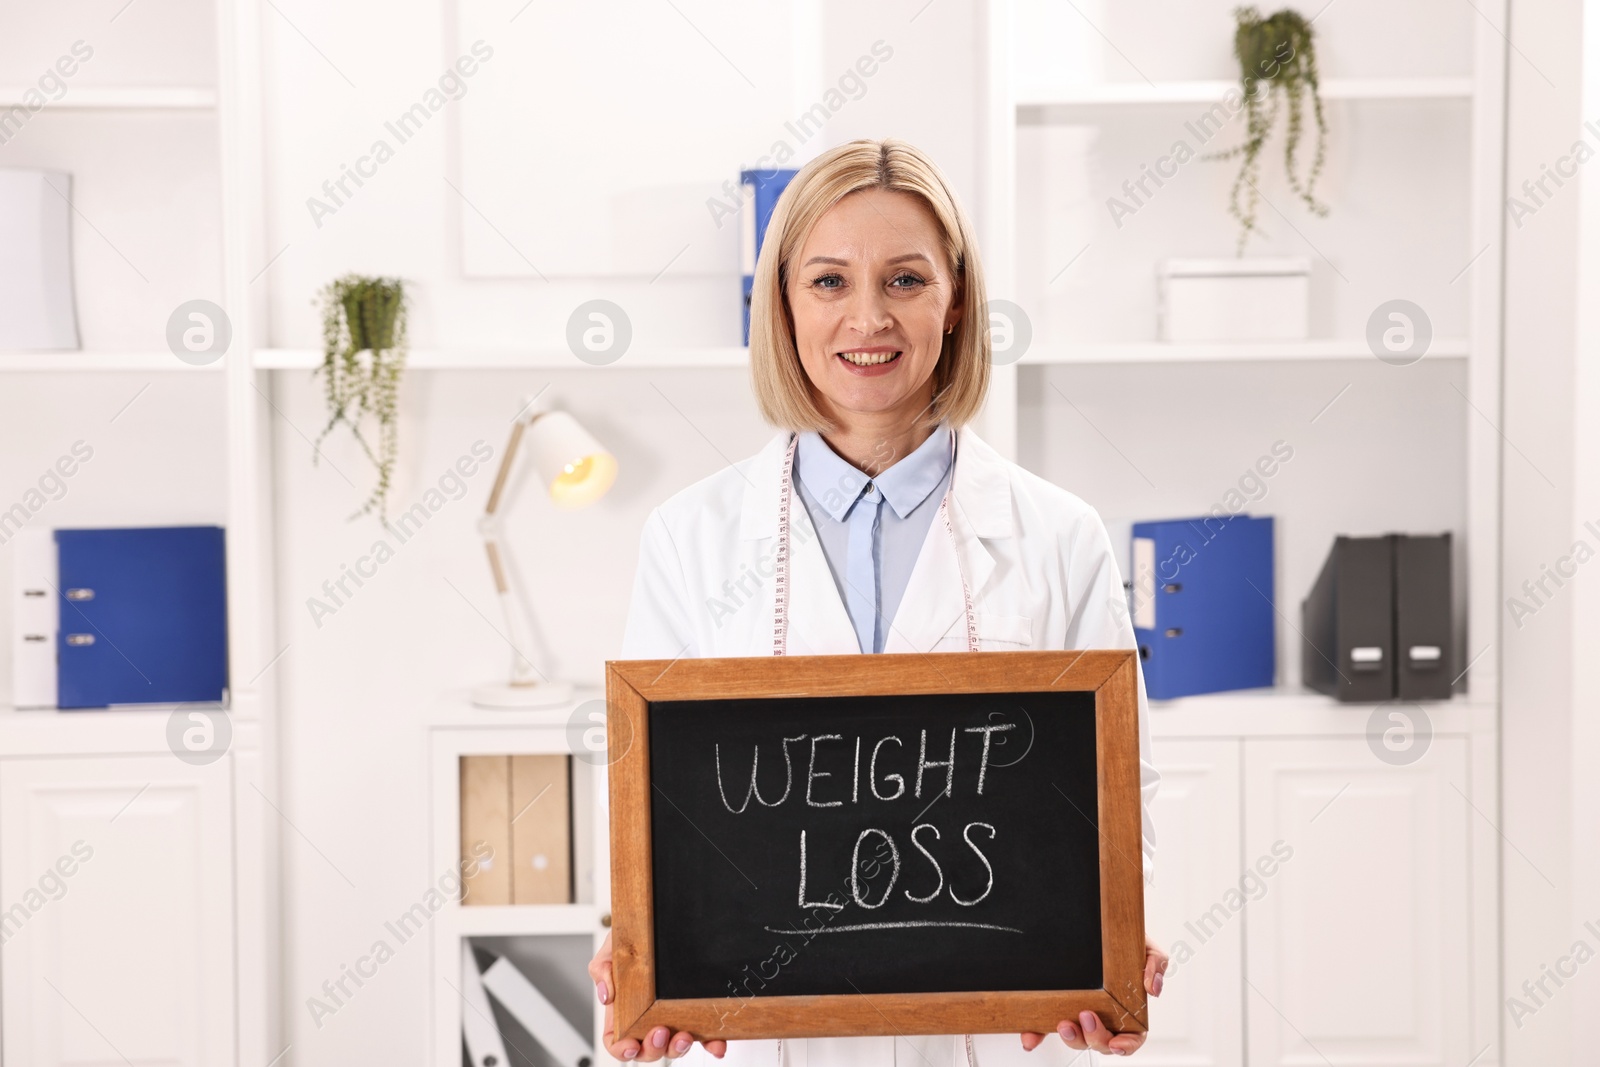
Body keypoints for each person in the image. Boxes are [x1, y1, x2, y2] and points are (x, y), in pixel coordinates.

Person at [588, 137, 1166, 1064]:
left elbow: (1119, 797)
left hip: (987, 1037)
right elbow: (652, 804)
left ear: (958, 298)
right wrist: (640, 952)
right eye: (828, 281)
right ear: (779, 302)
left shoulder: (1060, 535)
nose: (868, 317)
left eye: (905, 279)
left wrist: (1114, 947)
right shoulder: (689, 538)